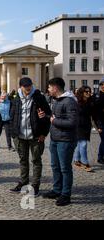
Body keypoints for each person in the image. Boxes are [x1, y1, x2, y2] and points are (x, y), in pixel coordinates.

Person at [8, 78, 51, 197]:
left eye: (30, 85)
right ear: (21, 87)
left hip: (36, 136)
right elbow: (12, 117)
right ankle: (23, 182)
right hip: (20, 136)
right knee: (23, 160)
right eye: (25, 86)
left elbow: (48, 116)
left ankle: (35, 185)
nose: (28, 88)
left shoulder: (39, 98)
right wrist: (13, 134)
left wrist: (44, 134)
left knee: (36, 160)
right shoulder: (16, 99)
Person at [41, 78, 78, 206]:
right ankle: (57, 190)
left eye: (50, 87)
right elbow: (54, 117)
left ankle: (66, 194)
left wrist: (53, 121)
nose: (48, 89)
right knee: (55, 166)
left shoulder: (69, 101)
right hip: (55, 139)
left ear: (55, 88)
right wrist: (46, 116)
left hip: (66, 140)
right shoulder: (56, 100)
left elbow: (72, 122)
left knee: (65, 168)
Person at [73, 86, 94, 172]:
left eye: (89, 91)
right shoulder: (76, 102)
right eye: (86, 91)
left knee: (79, 144)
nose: (88, 93)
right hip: (78, 126)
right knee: (83, 144)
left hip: (86, 126)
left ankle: (76, 160)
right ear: (82, 93)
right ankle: (85, 163)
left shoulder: (90, 102)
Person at [94, 79, 104, 165]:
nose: (103, 86)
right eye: (102, 84)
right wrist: (99, 126)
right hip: (100, 121)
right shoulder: (97, 96)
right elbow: (96, 113)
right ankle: (100, 157)